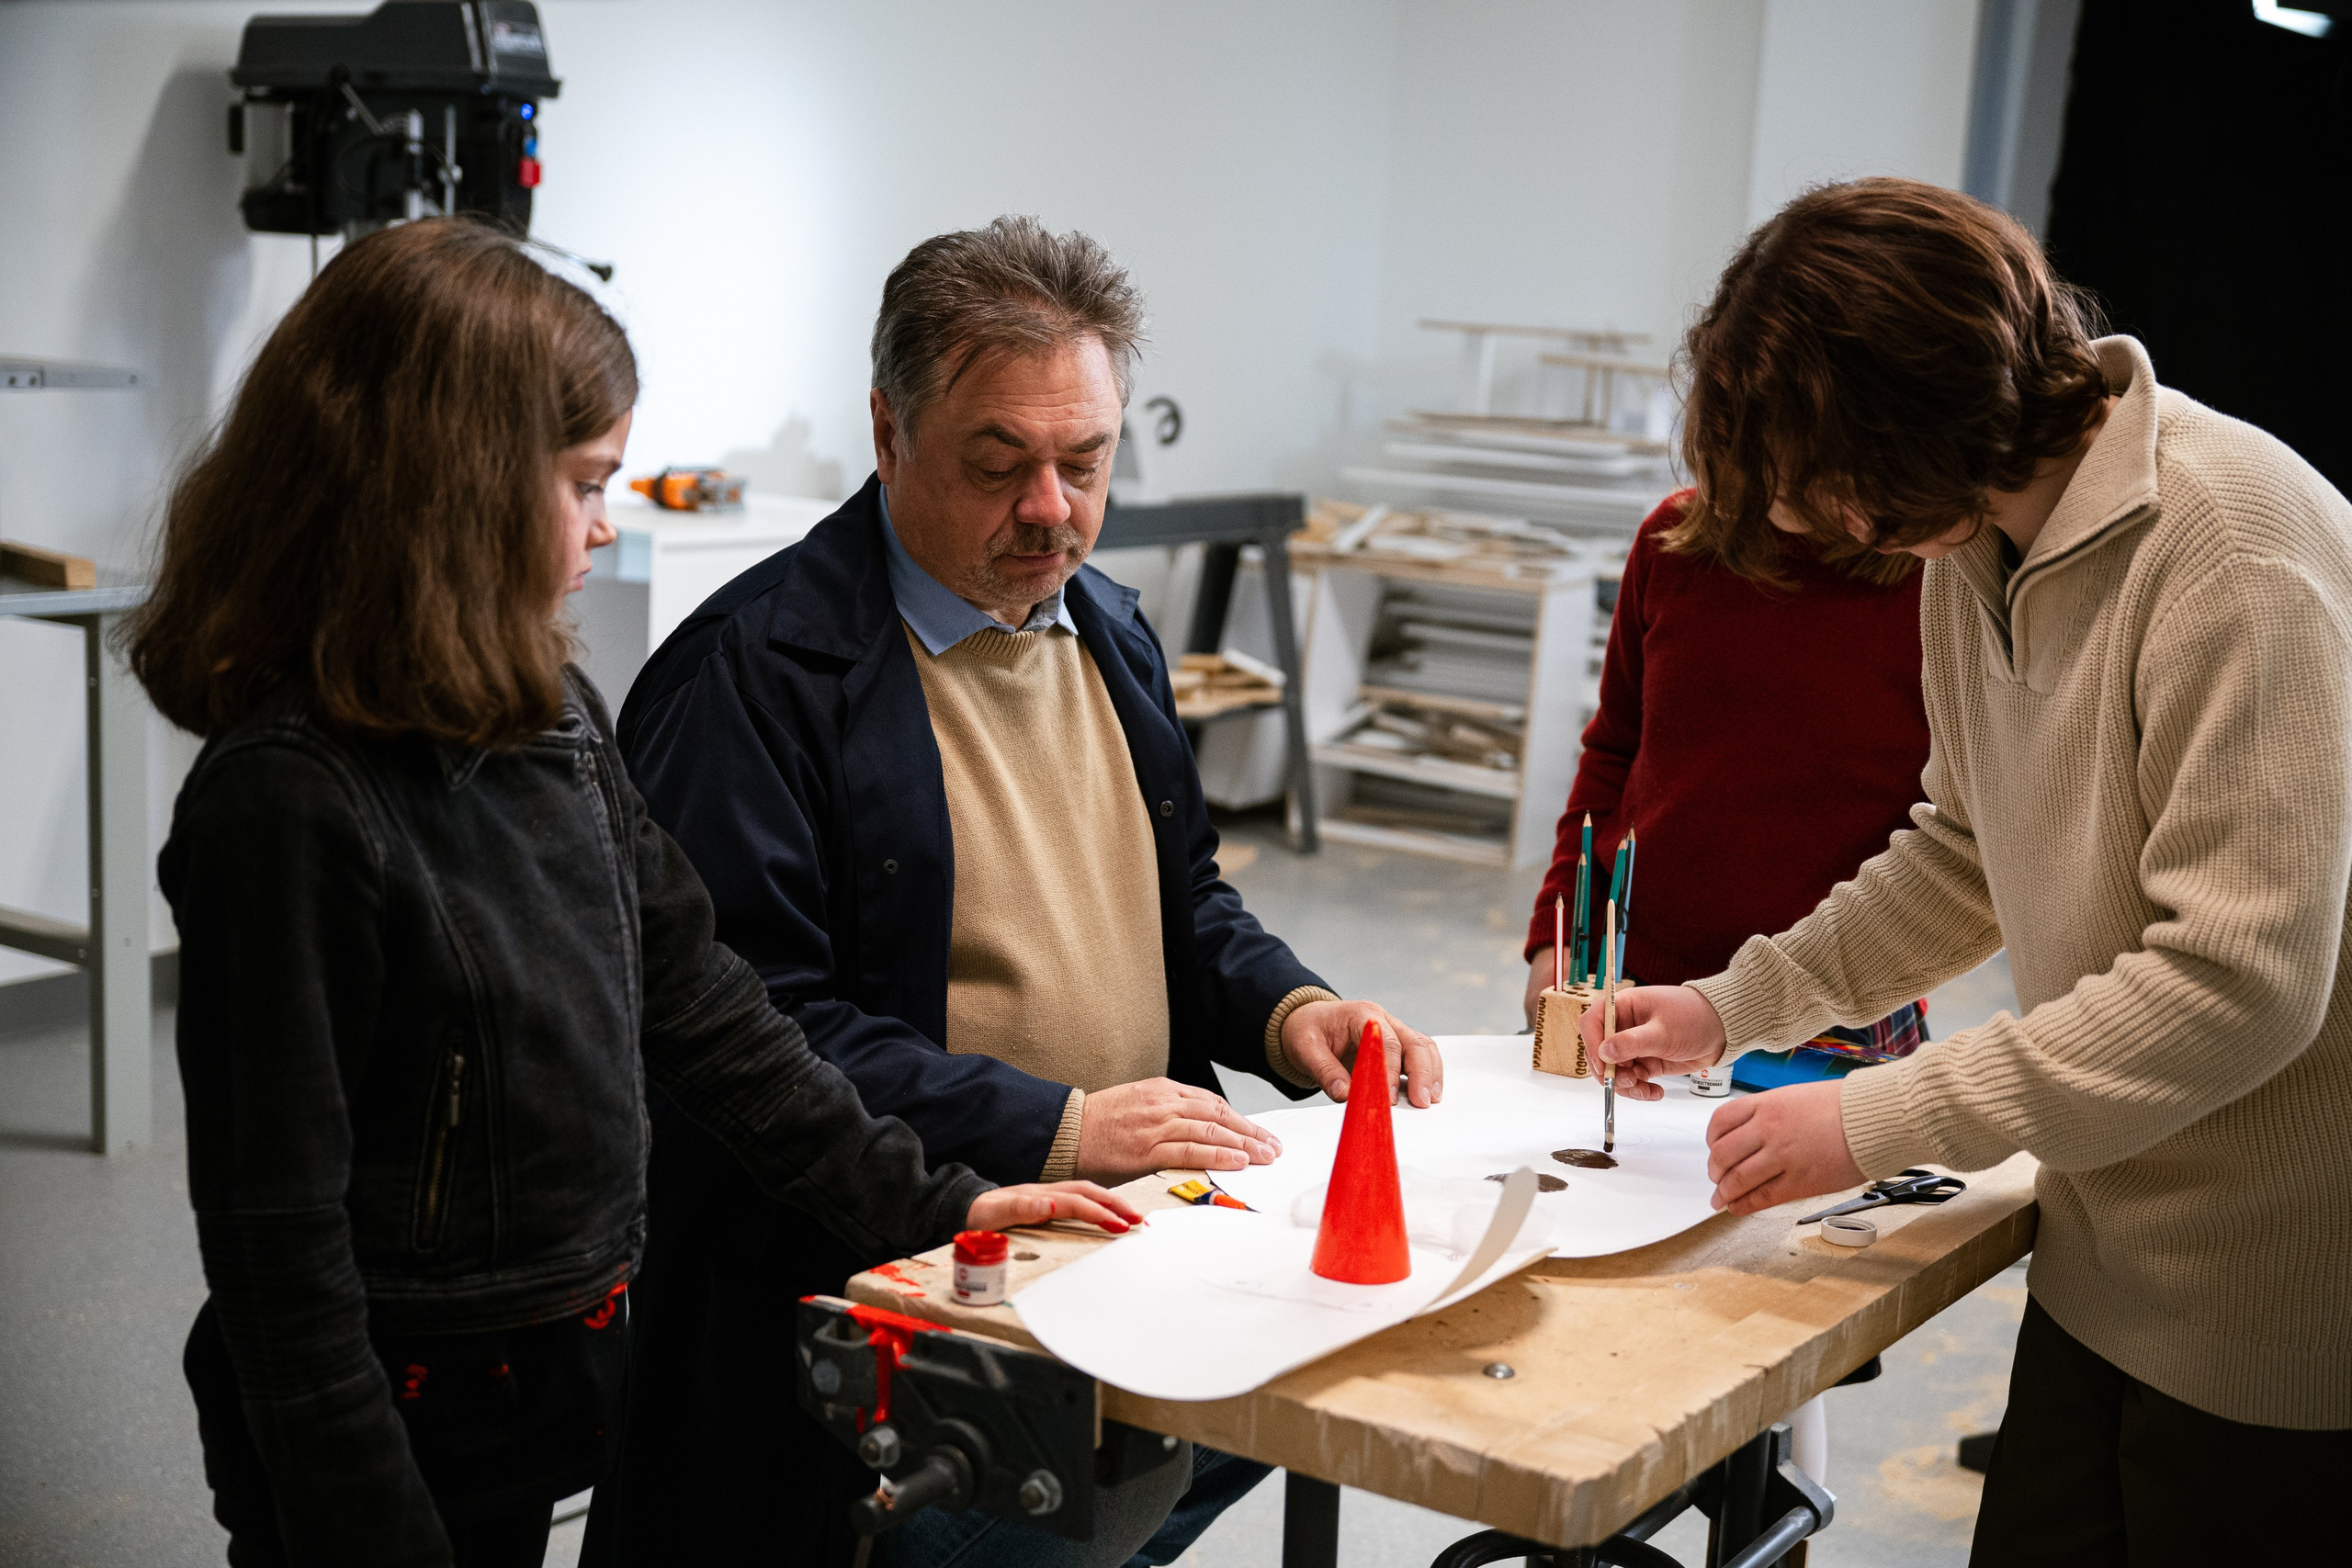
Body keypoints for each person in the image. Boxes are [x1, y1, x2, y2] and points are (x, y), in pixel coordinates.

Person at [127, 218, 1136, 1568]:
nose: (610, 520)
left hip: (546, 1400)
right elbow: (281, 1261)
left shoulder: (550, 721)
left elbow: (719, 1020)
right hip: (378, 1443)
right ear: (447, 490)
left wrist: (939, 1204)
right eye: (586, 481)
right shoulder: (287, 804)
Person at [594, 217, 1440, 1568]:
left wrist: (1289, 1009)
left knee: (1218, 1445)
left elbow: (1182, 898)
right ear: (888, 433)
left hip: (1123, 1247)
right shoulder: (751, 680)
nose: (1051, 506)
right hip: (908, 1279)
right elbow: (750, 1029)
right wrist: (1055, 1122)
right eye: (1000, 463)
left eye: (1084, 461)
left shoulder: (1106, 623)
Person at [1586, 178, 2352, 1562]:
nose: (1814, 521)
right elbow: (1961, 849)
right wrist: (1732, 1005)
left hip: (2281, 1292)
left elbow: (2242, 982)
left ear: (1912, 419)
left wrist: (1878, 1116)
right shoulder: (1975, 544)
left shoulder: (2234, 545)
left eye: (1822, 477)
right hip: (2107, 1246)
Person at [1521, 484, 1932, 1080]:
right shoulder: (1674, 537)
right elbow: (1613, 750)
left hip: (1837, 1009)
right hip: (1632, 977)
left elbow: (1953, 841)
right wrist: (1556, 937)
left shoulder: (1940, 578)